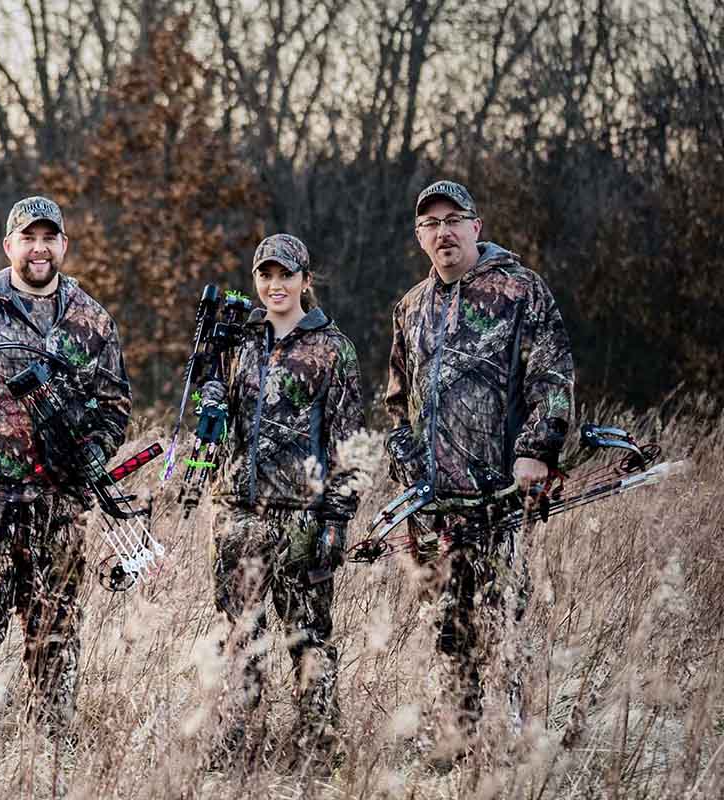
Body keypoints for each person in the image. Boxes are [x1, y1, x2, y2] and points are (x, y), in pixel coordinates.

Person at [0, 195, 131, 746]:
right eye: (27, 238)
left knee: (55, 631)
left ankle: (47, 754)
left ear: (63, 244)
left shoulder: (91, 319)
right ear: (9, 245)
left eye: (49, 238)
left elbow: (115, 405)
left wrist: (92, 453)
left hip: (59, 505)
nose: (39, 248)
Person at [385, 180, 575, 745]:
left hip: (499, 496)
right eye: (430, 224)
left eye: (453, 219)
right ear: (420, 237)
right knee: (448, 627)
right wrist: (406, 463)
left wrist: (536, 451)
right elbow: (397, 401)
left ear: (476, 226)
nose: (442, 231)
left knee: (503, 619)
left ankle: (515, 739)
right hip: (435, 503)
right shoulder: (412, 307)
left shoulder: (520, 290)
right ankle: (461, 739)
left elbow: (553, 376)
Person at [198, 233, 364, 769]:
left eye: (286, 275)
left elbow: (350, 443)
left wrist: (335, 520)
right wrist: (210, 395)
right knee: (242, 633)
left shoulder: (333, 348)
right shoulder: (240, 344)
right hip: (240, 512)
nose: (275, 285)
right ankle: (240, 739)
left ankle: (318, 746)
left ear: (305, 281)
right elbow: (217, 427)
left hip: (302, 518)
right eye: (266, 276)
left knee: (308, 636)